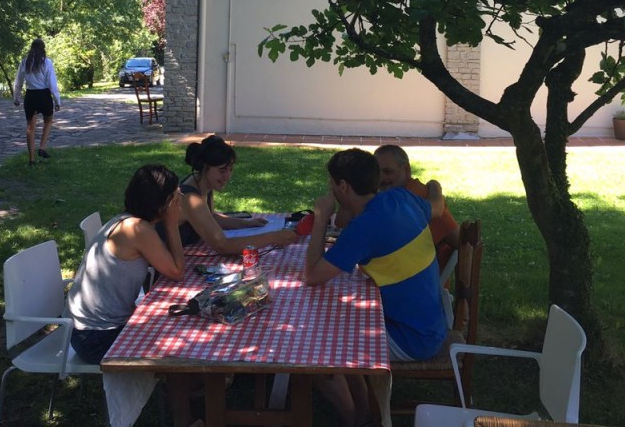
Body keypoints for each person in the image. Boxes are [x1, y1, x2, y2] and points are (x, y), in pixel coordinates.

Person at [304, 148, 448, 427]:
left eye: (331, 184)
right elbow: (436, 206)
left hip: (412, 339)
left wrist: (321, 217)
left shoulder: (365, 227)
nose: (330, 190)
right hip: (431, 324)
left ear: (343, 187)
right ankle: (364, 412)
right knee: (340, 326)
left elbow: (312, 275)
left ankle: (355, 420)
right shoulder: (402, 197)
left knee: (316, 352)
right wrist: (434, 187)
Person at [66, 164, 186, 427]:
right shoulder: (137, 229)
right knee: (180, 339)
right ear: (163, 202)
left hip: (84, 329)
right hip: (96, 337)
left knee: (176, 321)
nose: (180, 202)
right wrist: (172, 222)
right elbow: (177, 271)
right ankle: (188, 407)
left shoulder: (124, 220)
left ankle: (186, 399)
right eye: (175, 198)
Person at [166, 134, 298, 255]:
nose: (227, 176)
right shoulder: (191, 198)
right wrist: (273, 237)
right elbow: (223, 245)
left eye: (230, 169)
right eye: (222, 170)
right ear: (204, 167)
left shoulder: (203, 182)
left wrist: (246, 223)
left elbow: (209, 217)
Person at [13, 38, 61, 165]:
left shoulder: (25, 62)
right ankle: (42, 147)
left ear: (31, 48)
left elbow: (18, 81)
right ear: (43, 49)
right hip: (44, 95)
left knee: (30, 127)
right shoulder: (47, 62)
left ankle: (31, 159)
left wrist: (16, 97)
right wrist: (57, 101)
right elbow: (52, 83)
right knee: (48, 120)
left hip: (31, 95)